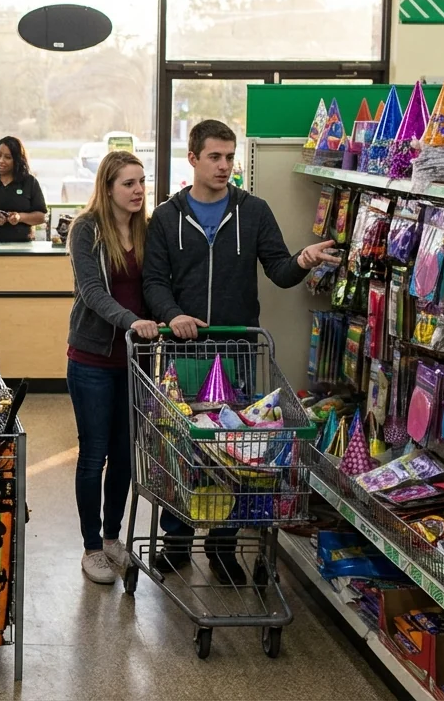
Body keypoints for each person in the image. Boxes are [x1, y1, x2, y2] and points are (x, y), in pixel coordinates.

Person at [142, 119, 338, 585]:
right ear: (192, 159)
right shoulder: (167, 218)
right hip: (182, 354)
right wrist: (172, 316)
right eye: (215, 157)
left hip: (238, 349)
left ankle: (223, 546)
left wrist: (303, 263)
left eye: (230, 157)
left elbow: (279, 270)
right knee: (181, 446)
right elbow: (153, 282)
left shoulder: (253, 212)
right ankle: (176, 539)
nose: (225, 166)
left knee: (236, 452)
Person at [65, 151, 159, 585]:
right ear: (107, 188)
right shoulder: (87, 229)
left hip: (136, 362)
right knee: (94, 454)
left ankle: (111, 538)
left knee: (124, 455)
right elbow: (92, 290)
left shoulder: (147, 229)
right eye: (129, 183)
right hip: (92, 360)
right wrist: (131, 322)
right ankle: (89, 547)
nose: (138, 190)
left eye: (142, 181)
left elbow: (157, 285)